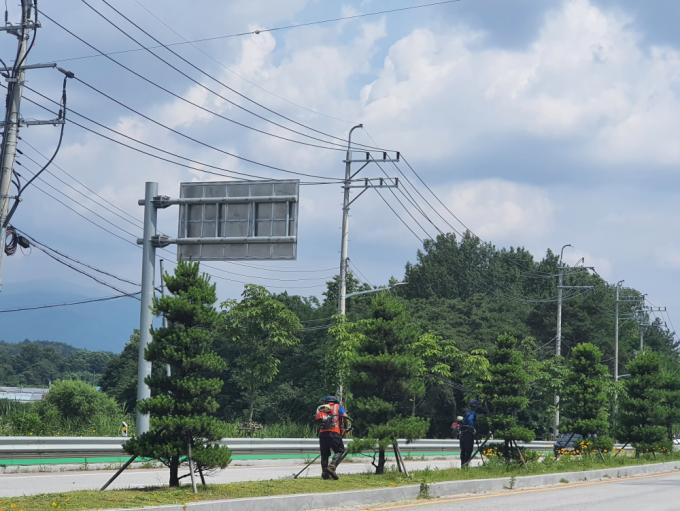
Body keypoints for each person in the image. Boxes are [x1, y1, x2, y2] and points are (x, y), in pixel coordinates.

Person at [314, 395, 349, 480]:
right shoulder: (338, 407)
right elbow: (345, 416)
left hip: (322, 434)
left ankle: (325, 474)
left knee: (324, 454)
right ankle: (332, 467)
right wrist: (345, 427)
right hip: (334, 432)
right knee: (340, 450)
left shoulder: (321, 408)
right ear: (335, 401)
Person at [459, 400, 478, 466]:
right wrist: (474, 429)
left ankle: (463, 465)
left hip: (463, 433)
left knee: (463, 450)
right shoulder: (472, 413)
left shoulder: (466, 412)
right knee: (468, 450)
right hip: (468, 433)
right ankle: (465, 465)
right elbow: (471, 422)